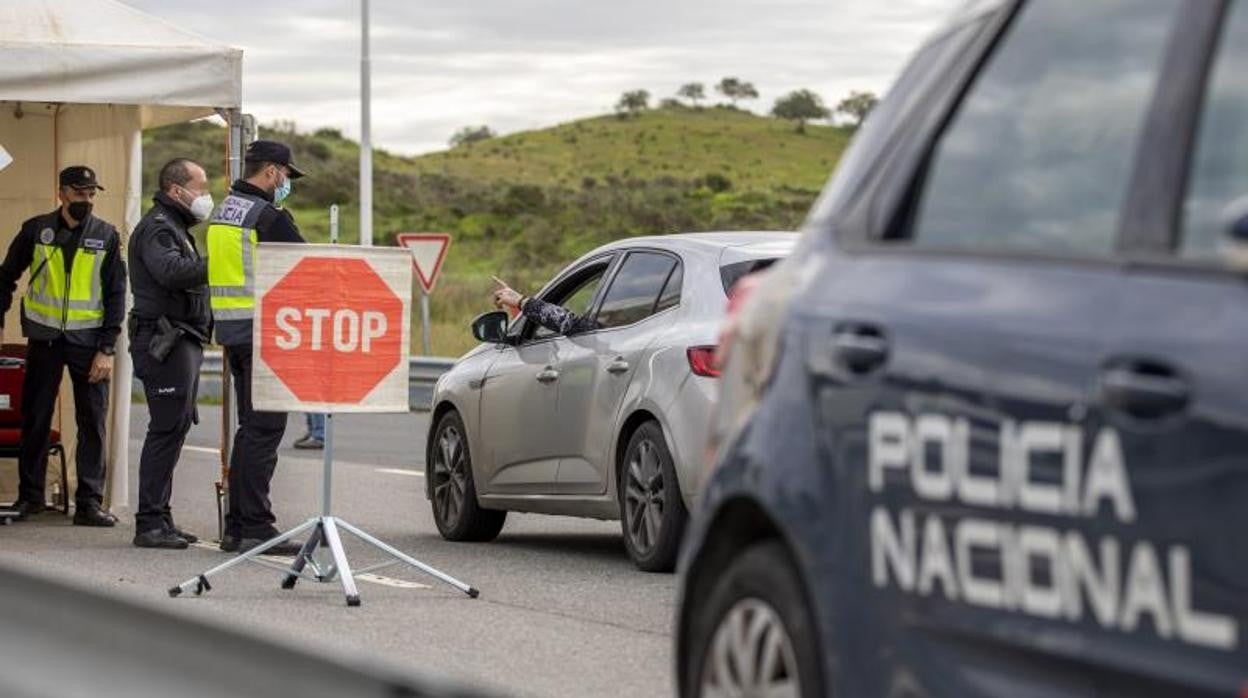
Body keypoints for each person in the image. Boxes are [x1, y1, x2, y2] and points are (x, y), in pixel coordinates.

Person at [0, 166, 126, 526]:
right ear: (62, 194)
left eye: (91, 194)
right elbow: (6, 276)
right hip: (45, 339)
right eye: (80, 193)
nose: (86, 199)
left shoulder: (106, 235)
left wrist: (108, 347)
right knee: (35, 417)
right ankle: (31, 497)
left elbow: (117, 293)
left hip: (90, 343)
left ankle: (89, 503)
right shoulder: (36, 230)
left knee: (93, 423)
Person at [208, 140, 307, 555]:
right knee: (263, 431)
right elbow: (306, 265)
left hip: (234, 332)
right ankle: (253, 524)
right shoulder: (267, 216)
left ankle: (237, 524)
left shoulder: (222, 212)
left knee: (250, 428)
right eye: (286, 175)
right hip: (265, 333)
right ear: (271, 172)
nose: (286, 183)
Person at [128, 158, 214, 549]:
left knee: (175, 429)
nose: (206, 195)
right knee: (165, 430)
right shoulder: (158, 228)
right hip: (164, 341)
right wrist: (220, 264)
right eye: (202, 186)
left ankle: (161, 517)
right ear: (177, 190)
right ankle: (149, 523)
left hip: (183, 339)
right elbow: (171, 273)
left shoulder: (176, 227)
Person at [490, 276, 598, 335]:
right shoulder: (611, 328)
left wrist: (521, 301)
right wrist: (518, 303)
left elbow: (572, 325)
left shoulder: (602, 335)